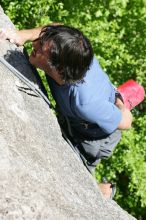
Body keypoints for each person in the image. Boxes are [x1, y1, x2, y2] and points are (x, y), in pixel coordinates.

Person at [0, 24, 133, 198]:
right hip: (81, 112)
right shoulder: (71, 48)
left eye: (41, 48)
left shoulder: (85, 102)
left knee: (76, 167)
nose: (35, 45)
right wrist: (22, 34)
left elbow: (126, 122)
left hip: (94, 137)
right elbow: (53, 28)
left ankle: (103, 190)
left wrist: (120, 102)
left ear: (59, 68)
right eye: (40, 41)